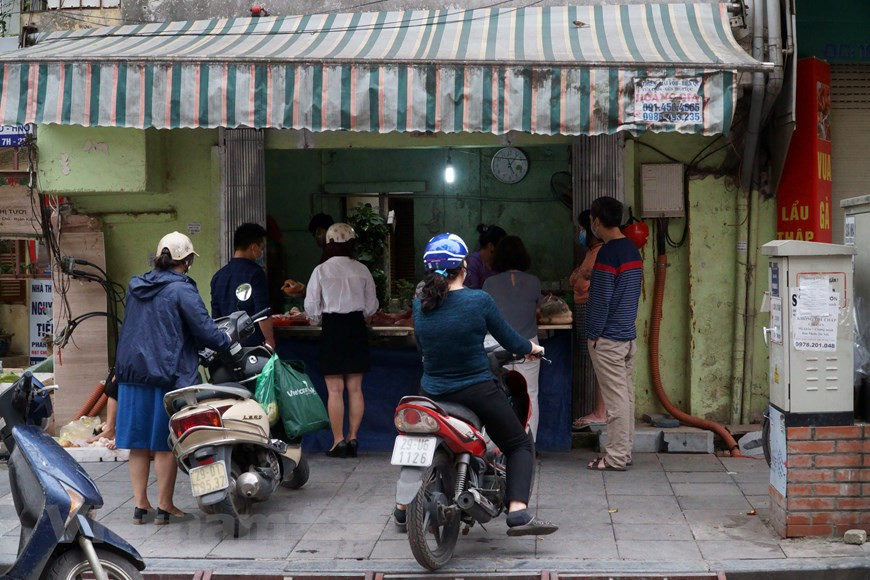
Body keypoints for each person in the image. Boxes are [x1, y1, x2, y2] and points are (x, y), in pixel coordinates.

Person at [398, 232, 557, 537]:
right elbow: (510, 339)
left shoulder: (420, 304)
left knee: (415, 443)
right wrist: (531, 348)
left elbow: (423, 349)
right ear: (464, 268)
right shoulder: (478, 300)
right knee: (519, 444)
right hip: (476, 391)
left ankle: (403, 508)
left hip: (431, 392)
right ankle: (517, 511)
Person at [115, 232, 232, 524]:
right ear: (188, 260)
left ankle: (140, 505)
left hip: (131, 373)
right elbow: (204, 329)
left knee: (139, 443)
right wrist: (226, 341)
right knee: (163, 442)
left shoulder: (136, 286)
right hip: (166, 374)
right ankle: (165, 505)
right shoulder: (182, 289)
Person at [304, 223, 378, 458]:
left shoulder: (321, 271)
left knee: (335, 390)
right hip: (356, 327)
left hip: (333, 328)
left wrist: (316, 319)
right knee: (355, 388)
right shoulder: (362, 270)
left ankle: (338, 441)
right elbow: (371, 307)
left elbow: (312, 310)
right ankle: (353, 438)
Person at [585, 197, 643, 472]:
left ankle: (617, 457)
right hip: (628, 336)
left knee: (616, 401)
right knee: (626, 397)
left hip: (609, 338)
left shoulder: (608, 253)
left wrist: (594, 333)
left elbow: (601, 299)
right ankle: (624, 452)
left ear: (596, 221)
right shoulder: (632, 249)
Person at [482, 236, 543, 441]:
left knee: (497, 394)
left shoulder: (489, 283)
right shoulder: (534, 282)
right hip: (528, 345)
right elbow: (541, 310)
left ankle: (496, 443)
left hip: (496, 346)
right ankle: (529, 442)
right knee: (530, 393)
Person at [210, 222, 276, 350]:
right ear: (253, 247)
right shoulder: (255, 274)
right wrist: (270, 340)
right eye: (261, 248)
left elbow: (216, 318)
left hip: (226, 346)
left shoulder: (218, 277)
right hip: (252, 348)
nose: (261, 252)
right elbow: (262, 313)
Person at [569, 210, 607, 430]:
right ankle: (600, 410)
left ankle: (601, 412)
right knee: (595, 361)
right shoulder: (592, 252)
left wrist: (580, 275)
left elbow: (581, 282)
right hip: (586, 309)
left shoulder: (600, 252)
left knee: (599, 361)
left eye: (583, 229)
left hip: (591, 309)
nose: (581, 233)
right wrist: (579, 275)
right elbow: (576, 278)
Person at [464, 224, 506, 289]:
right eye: (503, 247)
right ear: (491, 246)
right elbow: (472, 292)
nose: (505, 250)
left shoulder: (500, 264)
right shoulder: (473, 263)